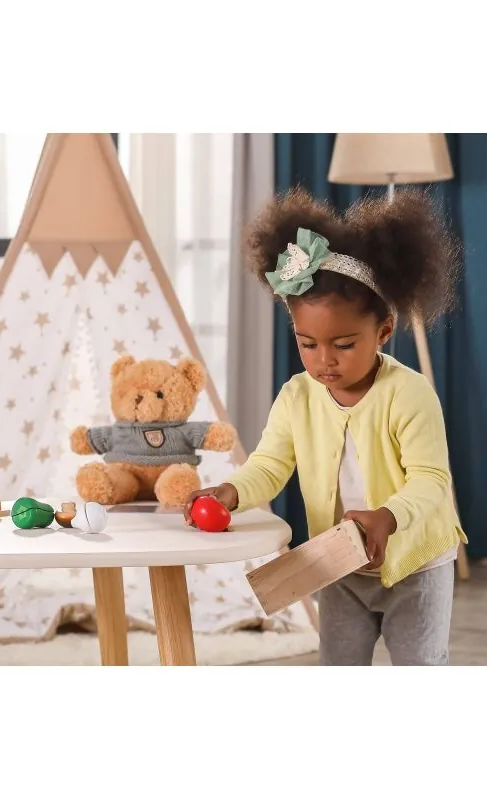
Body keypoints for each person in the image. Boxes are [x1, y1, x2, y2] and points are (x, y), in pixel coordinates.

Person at [184, 187, 467, 666]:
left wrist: (387, 516)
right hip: (339, 562)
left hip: (417, 564)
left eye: (343, 344)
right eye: (307, 344)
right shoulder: (297, 395)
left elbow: (431, 480)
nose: (324, 360)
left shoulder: (409, 393)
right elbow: (269, 465)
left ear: (383, 331)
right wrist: (232, 492)